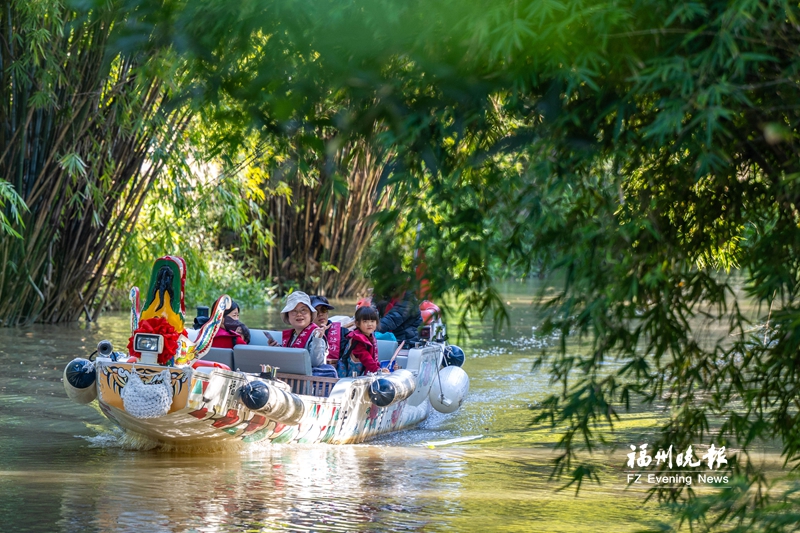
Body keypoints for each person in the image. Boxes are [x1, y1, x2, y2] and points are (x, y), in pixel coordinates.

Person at [267, 291, 328, 367]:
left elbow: (316, 363)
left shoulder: (316, 333)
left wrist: (317, 339)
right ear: (288, 316)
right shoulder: (292, 335)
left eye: (303, 310)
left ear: (310, 314)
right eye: (294, 311)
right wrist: (276, 349)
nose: (299, 314)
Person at [337, 306, 387, 377]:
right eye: (365, 321)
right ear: (357, 323)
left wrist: (380, 368)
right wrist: (378, 370)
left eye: (372, 321)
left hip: (360, 376)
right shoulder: (357, 339)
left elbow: (373, 359)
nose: (369, 324)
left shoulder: (370, 337)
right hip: (348, 379)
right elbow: (366, 358)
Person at [310, 295, 350, 364]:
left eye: (323, 310)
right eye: (316, 311)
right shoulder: (303, 334)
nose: (320, 314)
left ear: (327, 312)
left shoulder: (343, 333)